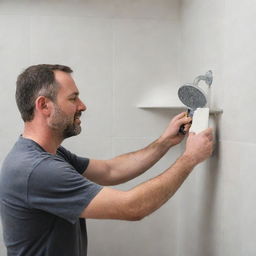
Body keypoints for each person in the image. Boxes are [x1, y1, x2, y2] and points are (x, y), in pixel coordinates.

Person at [0, 64, 213, 256]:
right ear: (44, 105)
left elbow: (110, 170)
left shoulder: (50, 155)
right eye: (73, 98)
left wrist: (165, 142)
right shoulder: (37, 169)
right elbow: (133, 207)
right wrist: (189, 158)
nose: (82, 106)